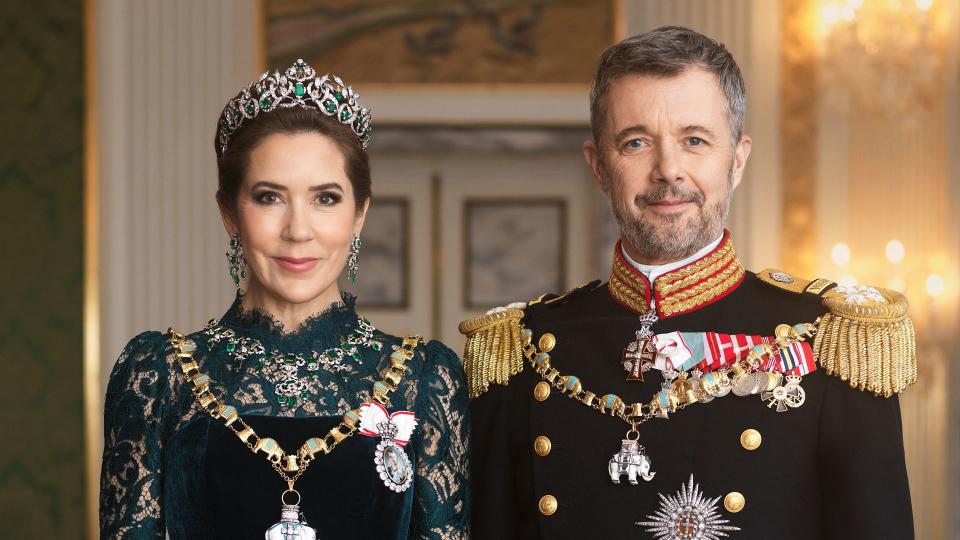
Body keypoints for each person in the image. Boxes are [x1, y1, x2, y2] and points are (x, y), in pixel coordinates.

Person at [462, 26, 915, 539]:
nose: (667, 170)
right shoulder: (519, 347)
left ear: (737, 160)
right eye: (636, 143)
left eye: (694, 140)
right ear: (599, 167)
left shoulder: (833, 339)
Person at [99, 60, 469, 539]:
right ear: (230, 213)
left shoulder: (424, 377)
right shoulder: (158, 375)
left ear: (360, 214)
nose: (298, 230)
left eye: (326, 199)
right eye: (270, 197)